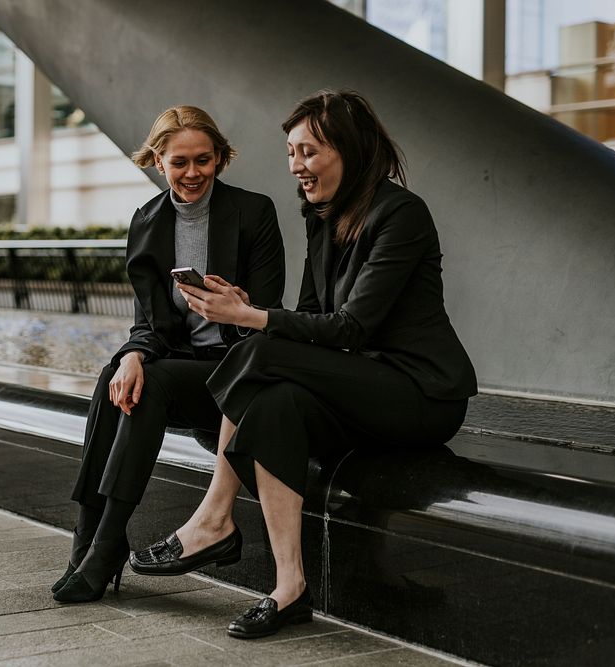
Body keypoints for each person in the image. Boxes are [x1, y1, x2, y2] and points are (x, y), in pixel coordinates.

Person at [129, 90, 477, 639]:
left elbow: (351, 328)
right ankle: (289, 587)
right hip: (359, 386)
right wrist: (248, 307)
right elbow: (313, 317)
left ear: (350, 149)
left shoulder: (401, 214)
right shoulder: (321, 215)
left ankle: (215, 518)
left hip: (420, 394)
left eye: (308, 152)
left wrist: (252, 318)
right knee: (273, 401)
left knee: (258, 349)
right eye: (291, 154)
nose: (297, 167)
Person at [51, 106, 286, 603]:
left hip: (238, 371)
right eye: (180, 162)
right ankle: (87, 538)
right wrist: (133, 354)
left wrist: (236, 307)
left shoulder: (254, 212)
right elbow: (150, 323)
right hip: (184, 365)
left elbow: (269, 315)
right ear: (158, 161)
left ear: (220, 158)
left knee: (147, 385)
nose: (193, 172)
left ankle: (105, 545)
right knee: (118, 375)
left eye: (204, 159)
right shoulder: (148, 222)